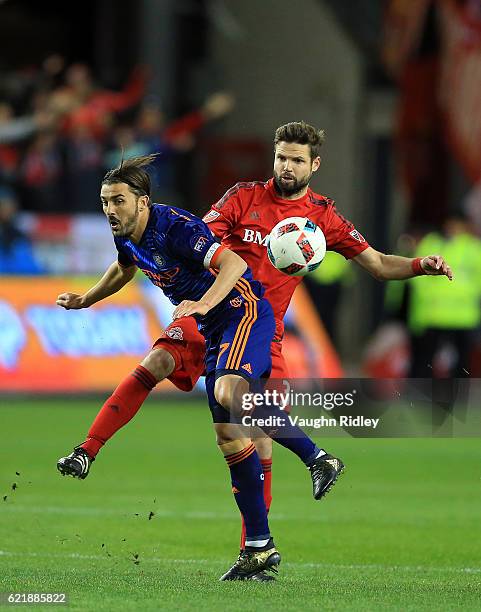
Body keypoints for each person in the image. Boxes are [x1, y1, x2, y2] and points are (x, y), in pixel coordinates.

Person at [57, 123, 454, 578]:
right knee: (160, 362)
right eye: (281, 157)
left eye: (297, 160)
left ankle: (258, 550)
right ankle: (88, 449)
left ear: (314, 165)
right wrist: (93, 297)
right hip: (208, 310)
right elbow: (195, 239)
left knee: (248, 436)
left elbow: (380, 264)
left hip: (256, 324)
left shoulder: (324, 217)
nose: (287, 166)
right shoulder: (242, 198)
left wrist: (422, 264)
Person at [56, 154, 350, 582]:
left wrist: (203, 304)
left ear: (142, 202)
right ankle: (258, 547)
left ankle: (318, 458)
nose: (110, 210)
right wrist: (87, 299)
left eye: (118, 201)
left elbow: (235, 264)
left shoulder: (175, 227)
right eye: (104, 202)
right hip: (209, 324)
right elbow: (125, 267)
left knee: (229, 395)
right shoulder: (126, 233)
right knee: (230, 438)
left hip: (239, 309)